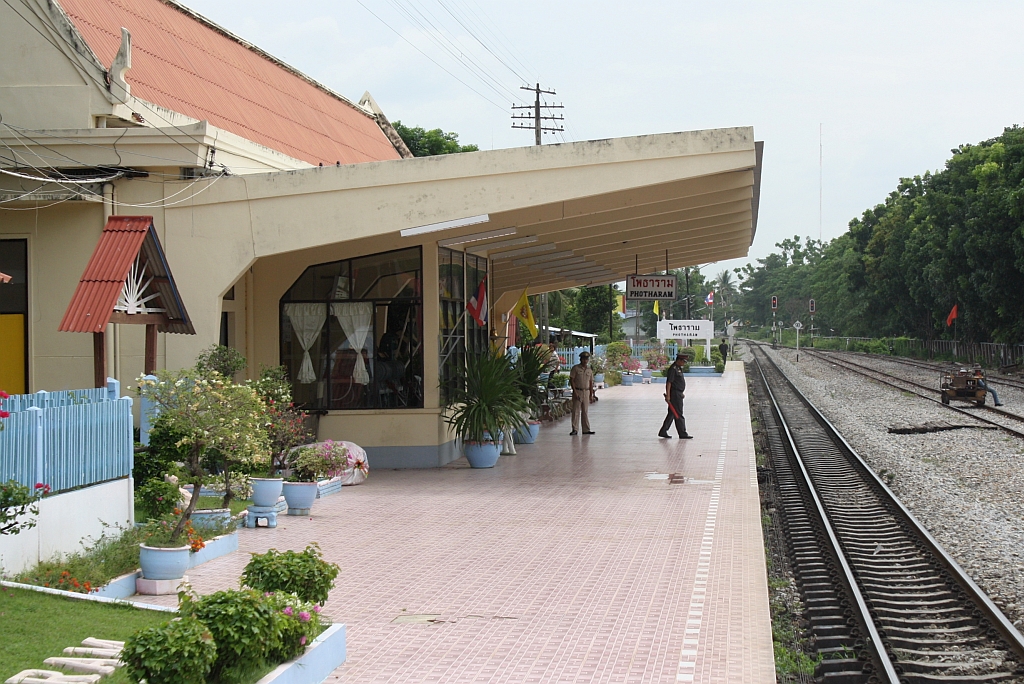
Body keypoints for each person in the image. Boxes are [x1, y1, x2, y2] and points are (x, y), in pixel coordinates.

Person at [660, 353, 693, 439]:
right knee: (678, 413)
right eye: (683, 361)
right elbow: (669, 382)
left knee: (672, 413)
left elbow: (678, 382)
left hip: (678, 393)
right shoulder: (673, 369)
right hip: (674, 394)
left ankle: (663, 431)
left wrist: (681, 392)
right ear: (679, 360)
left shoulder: (678, 368)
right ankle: (682, 433)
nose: (684, 363)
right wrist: (668, 395)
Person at [569, 351, 596, 436]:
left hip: (586, 392)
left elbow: (591, 382)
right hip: (578, 391)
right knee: (576, 411)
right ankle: (575, 429)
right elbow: (572, 380)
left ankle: (586, 429)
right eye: (583, 359)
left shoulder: (589, 370)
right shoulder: (575, 368)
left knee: (585, 411)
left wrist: (591, 395)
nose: (585, 361)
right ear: (580, 359)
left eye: (586, 359)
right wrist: (575, 392)